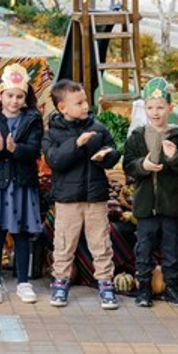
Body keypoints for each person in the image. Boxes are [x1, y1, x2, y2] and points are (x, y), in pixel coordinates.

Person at [44, 79, 121, 308]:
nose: (85, 105)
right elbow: (55, 160)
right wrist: (76, 144)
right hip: (68, 199)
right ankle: (60, 281)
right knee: (64, 242)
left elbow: (113, 152)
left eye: (85, 100)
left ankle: (106, 283)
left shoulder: (98, 128)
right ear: (62, 108)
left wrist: (105, 156)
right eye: (78, 102)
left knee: (101, 242)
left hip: (96, 196)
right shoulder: (53, 133)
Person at [122, 77, 178, 308]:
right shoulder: (137, 136)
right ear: (145, 108)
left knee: (171, 247)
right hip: (145, 205)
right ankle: (143, 287)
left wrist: (174, 158)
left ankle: (172, 287)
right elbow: (128, 165)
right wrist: (143, 166)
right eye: (151, 107)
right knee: (143, 246)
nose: (156, 112)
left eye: (161, 107)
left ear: (170, 108)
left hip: (170, 204)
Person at [0, 64, 44, 305]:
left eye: (19, 96)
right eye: (10, 95)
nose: (14, 101)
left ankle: (23, 281)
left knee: (21, 232)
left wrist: (17, 150)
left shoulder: (33, 119)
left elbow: (35, 149)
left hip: (22, 184)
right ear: (0, 95)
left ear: (26, 98)